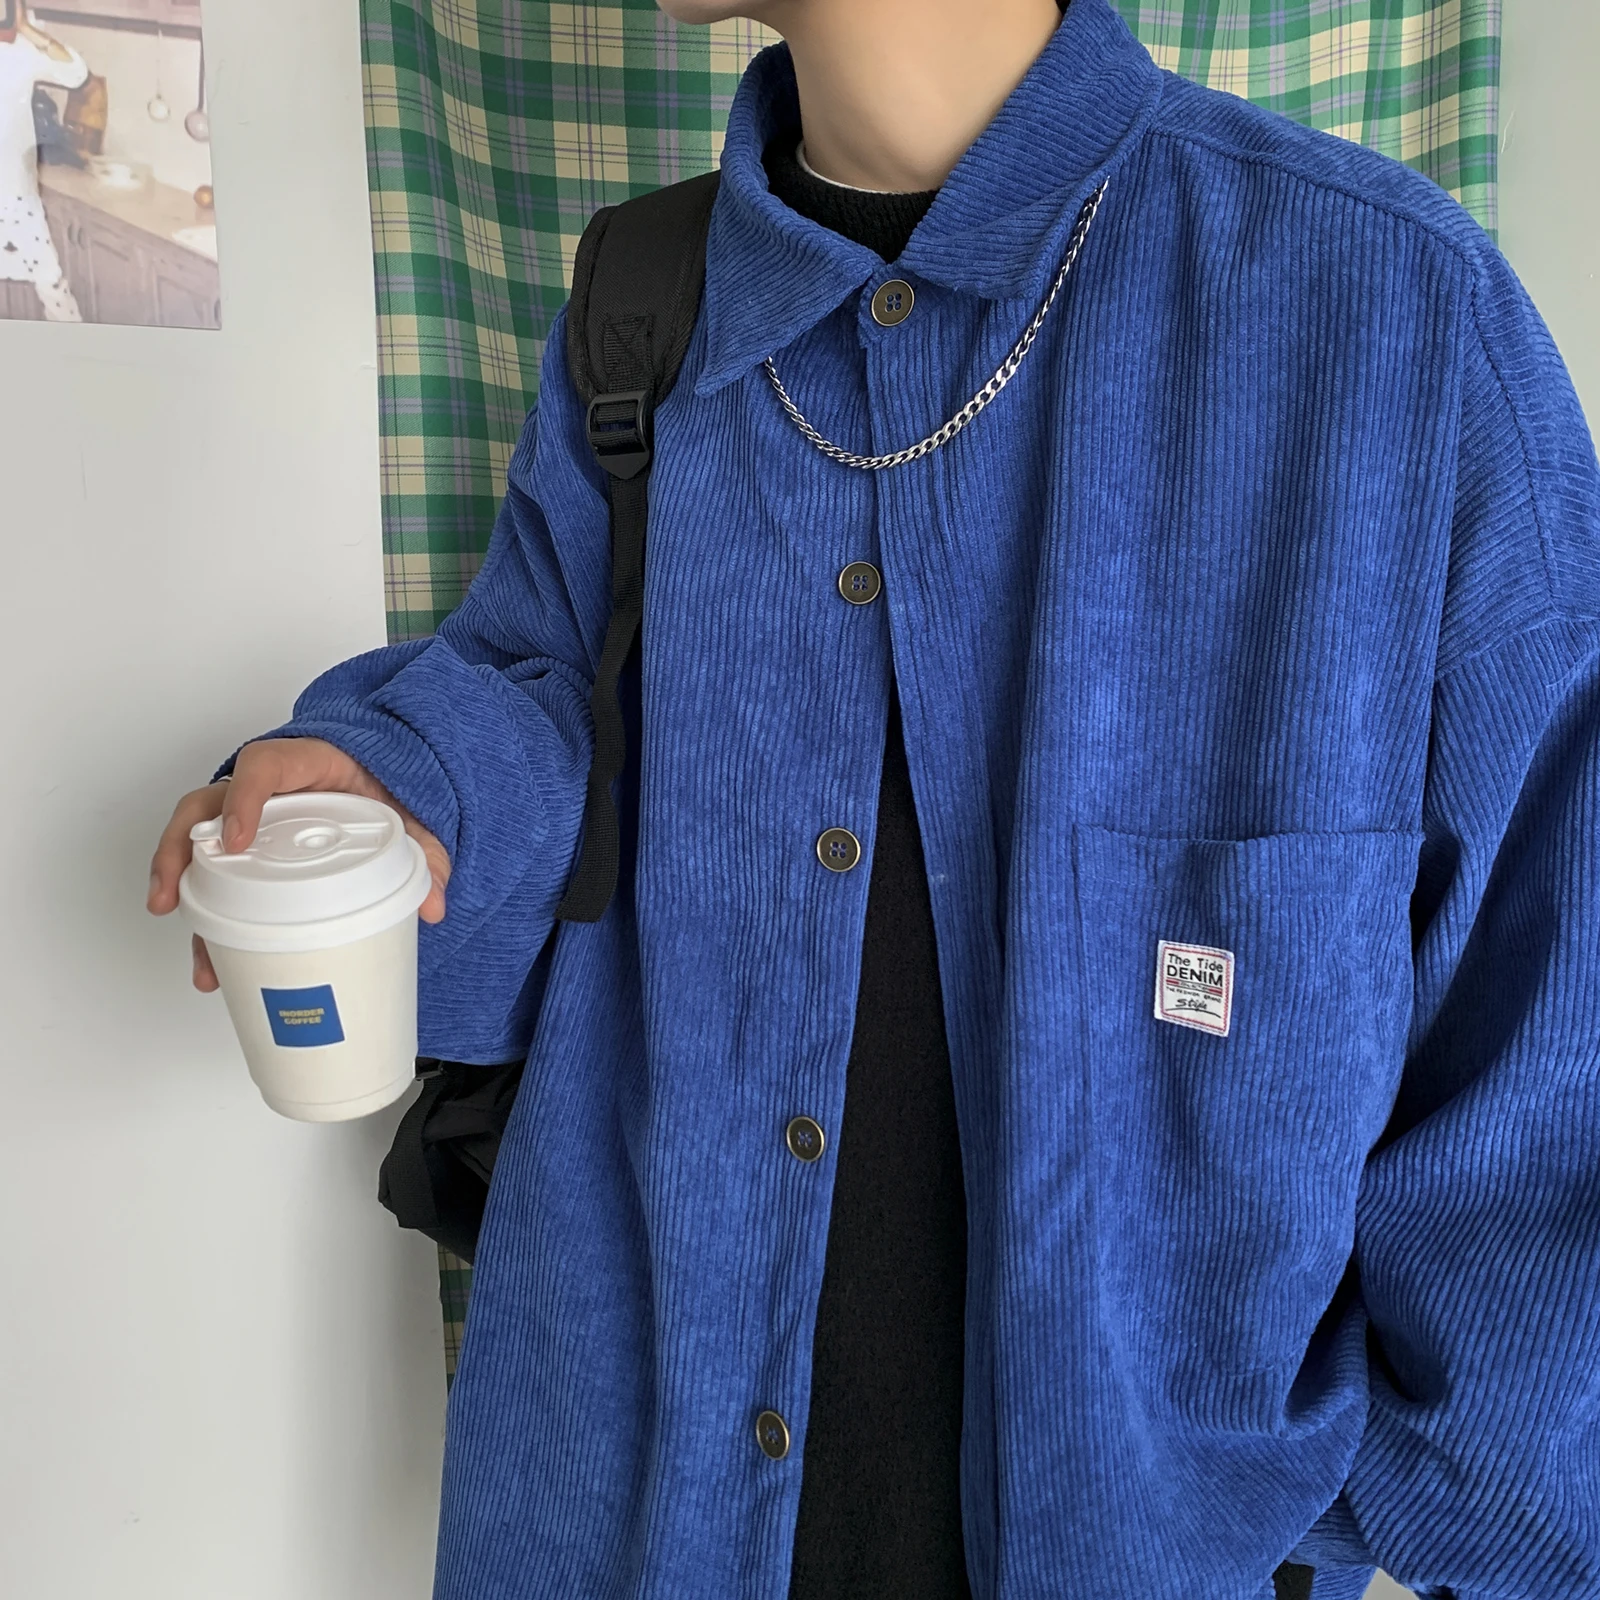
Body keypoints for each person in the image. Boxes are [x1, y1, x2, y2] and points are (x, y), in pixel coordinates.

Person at [148, 1, 1600, 1597]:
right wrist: (395, 781)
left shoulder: (1388, 317)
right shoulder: (646, 302)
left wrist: (1300, 1519)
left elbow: (1553, 1032)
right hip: (643, 1513)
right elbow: (552, 692)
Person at [0, 3, 86, 321]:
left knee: (52, 286)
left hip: (15, 194)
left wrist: (26, 29)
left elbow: (76, 74)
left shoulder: (19, 53)